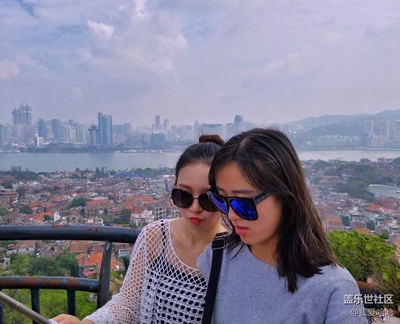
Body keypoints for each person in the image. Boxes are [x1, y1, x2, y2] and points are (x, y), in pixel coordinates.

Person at [198, 128, 367, 324]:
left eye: (244, 202)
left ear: (285, 196)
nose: (232, 214)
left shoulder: (333, 290)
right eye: (223, 200)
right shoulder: (218, 256)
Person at [53, 134, 225, 324]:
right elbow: (129, 302)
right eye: (183, 195)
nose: (194, 208)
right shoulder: (156, 237)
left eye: (207, 198)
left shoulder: (234, 251)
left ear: (224, 196)